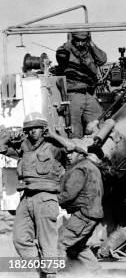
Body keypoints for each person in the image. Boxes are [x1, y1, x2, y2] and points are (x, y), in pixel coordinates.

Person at [0, 112, 78, 278]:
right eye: (29, 128)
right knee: (19, 239)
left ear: (43, 129)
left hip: (46, 198)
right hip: (26, 197)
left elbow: (71, 147)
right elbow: (1, 148)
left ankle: (51, 273)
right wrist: (7, 136)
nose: (33, 131)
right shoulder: (24, 147)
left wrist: (53, 135)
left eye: (37, 128)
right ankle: (42, 270)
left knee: (46, 240)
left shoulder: (54, 146)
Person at [57, 138, 104, 272]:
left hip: (84, 214)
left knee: (59, 243)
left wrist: (50, 199)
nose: (68, 155)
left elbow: (68, 194)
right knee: (76, 247)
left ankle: (57, 275)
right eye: (67, 153)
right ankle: (98, 273)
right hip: (92, 214)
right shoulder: (91, 167)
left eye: (72, 152)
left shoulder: (81, 168)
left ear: (81, 153)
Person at [56, 31, 107, 137]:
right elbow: (61, 57)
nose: (80, 43)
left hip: (89, 93)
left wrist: (91, 44)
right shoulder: (65, 49)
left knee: (98, 122)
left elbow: (102, 60)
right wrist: (68, 44)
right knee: (74, 128)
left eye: (83, 40)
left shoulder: (89, 50)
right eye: (77, 40)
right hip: (73, 94)